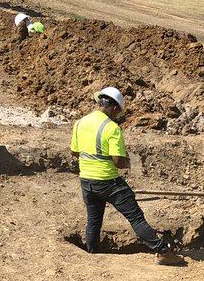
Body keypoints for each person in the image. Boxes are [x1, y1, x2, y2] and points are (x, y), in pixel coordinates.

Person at [70, 86, 175, 262]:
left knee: (93, 219)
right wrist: (127, 161)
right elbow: (118, 162)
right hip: (108, 181)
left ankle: (91, 254)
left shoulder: (80, 122)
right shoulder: (111, 128)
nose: (118, 116)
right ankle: (163, 251)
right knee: (135, 217)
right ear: (114, 108)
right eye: (118, 112)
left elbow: (74, 151)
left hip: (87, 180)